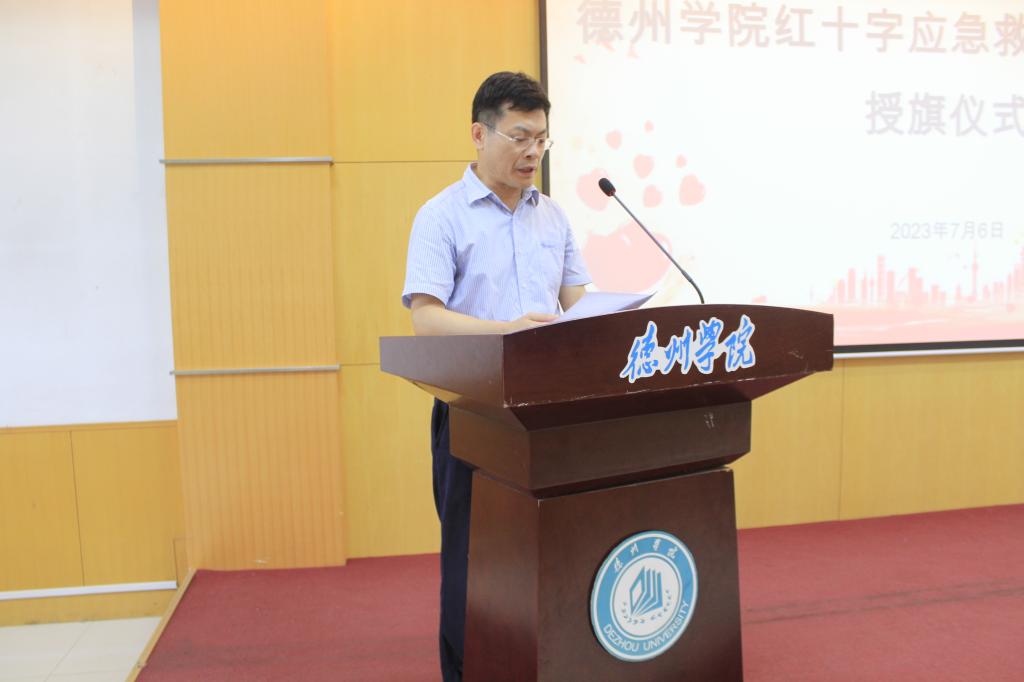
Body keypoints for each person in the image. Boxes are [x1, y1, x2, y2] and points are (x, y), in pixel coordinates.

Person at [400, 71, 591, 681]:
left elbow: (580, 308)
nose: (533, 152)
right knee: (472, 564)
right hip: (474, 418)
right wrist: (509, 331)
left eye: (542, 139)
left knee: (555, 554)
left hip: (550, 417)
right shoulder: (441, 217)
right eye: (520, 137)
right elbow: (426, 320)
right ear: (480, 135)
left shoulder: (553, 218)